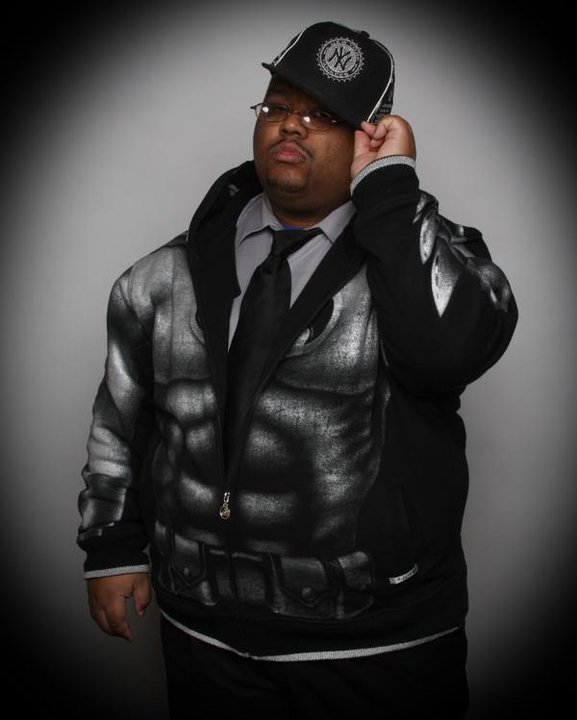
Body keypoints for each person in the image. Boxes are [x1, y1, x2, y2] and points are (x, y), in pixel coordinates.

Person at [77, 21, 518, 720]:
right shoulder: (160, 277)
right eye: (278, 106)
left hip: (379, 643)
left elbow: (447, 356)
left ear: (369, 137)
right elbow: (122, 420)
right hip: (204, 634)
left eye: (324, 115)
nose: (291, 125)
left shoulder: (436, 264)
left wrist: (390, 190)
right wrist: (112, 548)